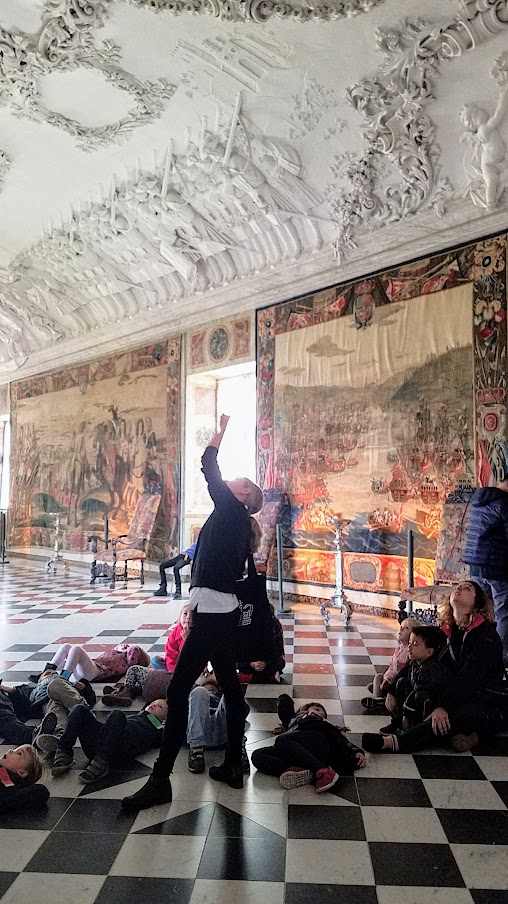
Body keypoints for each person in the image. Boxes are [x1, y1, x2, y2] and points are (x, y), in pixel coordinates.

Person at [121, 414, 263, 811]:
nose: (235, 482)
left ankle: (160, 781)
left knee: (180, 689)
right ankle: (235, 761)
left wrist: (220, 433)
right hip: (217, 611)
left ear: (245, 498)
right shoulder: (231, 516)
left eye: (243, 484)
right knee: (231, 691)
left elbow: (208, 465)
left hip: (214, 615)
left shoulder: (233, 510)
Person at [362, 581, 508, 754]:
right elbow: (419, 658)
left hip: (485, 699)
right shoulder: (448, 630)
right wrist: (393, 689)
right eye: (457, 587)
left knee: (452, 716)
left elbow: (469, 679)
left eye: (467, 588)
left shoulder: (485, 637)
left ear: (477, 602)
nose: (459, 588)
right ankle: (458, 734)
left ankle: (393, 742)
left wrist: (443, 706)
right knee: (420, 693)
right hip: (457, 692)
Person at [251, 696, 366, 791]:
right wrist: (287, 724)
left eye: (323, 713)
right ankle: (296, 771)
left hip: (316, 742)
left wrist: (356, 751)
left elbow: (341, 739)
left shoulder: (323, 724)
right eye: (317, 709)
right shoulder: (293, 721)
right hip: (296, 749)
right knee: (257, 755)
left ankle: (323, 770)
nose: (320, 713)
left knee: (281, 740)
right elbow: (284, 701)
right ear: (304, 710)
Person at [46, 699, 168, 783]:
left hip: (116, 752)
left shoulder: (156, 729)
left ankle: (101, 764)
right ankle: (64, 751)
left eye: (160, 706)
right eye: (154, 702)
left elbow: (171, 737)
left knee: (117, 715)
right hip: (100, 744)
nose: (154, 705)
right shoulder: (138, 716)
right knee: (79, 709)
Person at [102, 605, 190, 706]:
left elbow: (190, 659)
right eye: (185, 614)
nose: (187, 618)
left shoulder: (196, 635)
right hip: (172, 668)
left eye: (191, 616)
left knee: (134, 670)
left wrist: (187, 640)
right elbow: (170, 654)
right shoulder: (175, 633)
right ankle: (123, 691)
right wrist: (171, 669)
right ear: (179, 618)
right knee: (155, 660)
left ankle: (125, 692)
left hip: (182, 673)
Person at [462, 478, 508, 663]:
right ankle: (498, 656)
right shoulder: (504, 502)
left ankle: (476, 651)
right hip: (495, 564)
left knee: (481, 610)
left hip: (475, 563)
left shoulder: (479, 499)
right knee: (503, 610)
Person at [379, 625, 449, 734]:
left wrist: (406, 716)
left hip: (426, 707)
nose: (409, 647)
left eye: (415, 644)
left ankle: (414, 726)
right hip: (412, 701)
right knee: (401, 682)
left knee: (419, 695)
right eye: (410, 642)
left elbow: (418, 692)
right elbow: (401, 676)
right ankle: (396, 722)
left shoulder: (432, 669)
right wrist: (390, 691)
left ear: (429, 652)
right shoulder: (414, 662)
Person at [187, 674, 249, 776]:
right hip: (200, 729)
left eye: (212, 689)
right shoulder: (198, 697)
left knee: (231, 690)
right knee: (199, 691)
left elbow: (244, 710)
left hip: (223, 729)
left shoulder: (219, 698)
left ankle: (238, 751)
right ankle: (196, 751)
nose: (209, 691)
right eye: (207, 689)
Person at [361, 617, 419, 710]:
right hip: (392, 679)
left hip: (399, 683)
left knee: (384, 686)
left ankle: (380, 700)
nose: (401, 629)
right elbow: (392, 667)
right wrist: (387, 678)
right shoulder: (398, 649)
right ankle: (381, 697)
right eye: (401, 626)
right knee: (379, 677)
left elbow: (405, 672)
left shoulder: (410, 653)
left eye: (406, 628)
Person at [30, 642, 150, 684]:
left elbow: (132, 654)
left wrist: (127, 650)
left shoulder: (126, 664)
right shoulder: (118, 653)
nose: (128, 650)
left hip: (94, 672)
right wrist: (121, 649)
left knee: (76, 649)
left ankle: (63, 678)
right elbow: (121, 648)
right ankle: (45, 674)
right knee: (67, 647)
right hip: (85, 670)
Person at [237, 606, 285, 684]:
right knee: (240, 665)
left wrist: (265, 662)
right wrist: (251, 663)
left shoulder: (274, 625)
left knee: (279, 663)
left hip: (269, 661)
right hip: (249, 661)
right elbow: (239, 651)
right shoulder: (244, 626)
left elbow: (278, 650)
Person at [0, 745, 48, 814]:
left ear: (22, 773)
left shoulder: (7, 781)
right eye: (14, 750)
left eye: (19, 753)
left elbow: (40, 791)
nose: (10, 750)